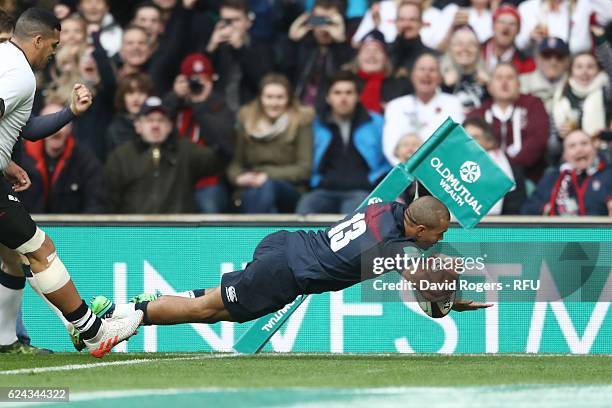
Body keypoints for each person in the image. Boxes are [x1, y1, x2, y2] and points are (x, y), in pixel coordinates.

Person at [91, 197, 492, 330]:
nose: (440, 241)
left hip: (286, 242)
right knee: (209, 311)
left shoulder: (388, 209)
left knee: (219, 301)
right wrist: (450, 300)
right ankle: (121, 318)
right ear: (419, 229)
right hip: (286, 273)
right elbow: (422, 284)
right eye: (437, 235)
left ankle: (148, 301)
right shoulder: (389, 246)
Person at [0, 7, 142, 357]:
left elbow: (22, 127)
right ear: (37, 39)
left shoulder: (6, 59)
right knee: (40, 249)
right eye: (53, 44)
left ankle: (4, 341)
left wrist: (69, 114)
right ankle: (92, 331)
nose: (54, 52)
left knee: (12, 254)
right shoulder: (21, 74)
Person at [105, 96, 225, 213]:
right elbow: (108, 200)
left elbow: (221, 156)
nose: (155, 125)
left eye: (161, 120)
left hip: (177, 229)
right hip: (134, 230)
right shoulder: (121, 157)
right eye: (149, 120)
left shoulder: (185, 150)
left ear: (170, 126)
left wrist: (199, 106)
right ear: (138, 126)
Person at [296, 70, 391, 214]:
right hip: (323, 191)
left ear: (358, 97)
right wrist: (315, 181)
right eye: (337, 93)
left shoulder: (376, 122)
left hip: (362, 191)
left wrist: (375, 181)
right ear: (328, 97)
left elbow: (388, 158)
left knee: (353, 218)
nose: (343, 98)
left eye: (349, 93)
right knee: (306, 207)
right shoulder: (315, 124)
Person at [227, 74, 313, 213]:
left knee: (268, 187)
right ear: (261, 98)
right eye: (269, 97)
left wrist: (265, 176)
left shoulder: (301, 121)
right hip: (252, 186)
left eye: (280, 97)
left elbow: (304, 169)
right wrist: (239, 178)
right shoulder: (247, 119)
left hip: (290, 188)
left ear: (288, 99)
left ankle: (255, 232)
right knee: (256, 195)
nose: (274, 103)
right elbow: (235, 163)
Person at [163, 53, 235, 214]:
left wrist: (201, 105)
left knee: (208, 204)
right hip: (173, 178)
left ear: (211, 81)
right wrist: (174, 97)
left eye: (203, 79)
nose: (197, 84)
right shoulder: (175, 105)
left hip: (209, 180)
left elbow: (224, 145)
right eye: (192, 79)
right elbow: (155, 125)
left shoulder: (220, 107)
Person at [17, 101, 106, 214]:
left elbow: (96, 205)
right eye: (48, 124)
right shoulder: (20, 159)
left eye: (61, 124)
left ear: (70, 128)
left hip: (71, 229)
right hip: (28, 229)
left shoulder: (86, 162)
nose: (55, 130)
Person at [468, 62, 549, 182]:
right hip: (483, 177)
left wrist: (510, 167)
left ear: (518, 85)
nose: (504, 83)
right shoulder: (477, 114)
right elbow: (469, 145)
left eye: (510, 78)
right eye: (499, 78)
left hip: (526, 176)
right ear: (489, 86)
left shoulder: (533, 105)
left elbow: (539, 139)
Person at [383, 53, 465, 165]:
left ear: (440, 77)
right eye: (422, 69)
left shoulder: (453, 104)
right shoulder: (396, 106)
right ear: (412, 75)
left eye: (432, 70)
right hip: (402, 172)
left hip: (439, 171)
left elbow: (452, 142)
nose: (426, 74)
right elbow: (390, 147)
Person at [521, 129, 612, 216]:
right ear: (564, 155)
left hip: (599, 230)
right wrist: (545, 209)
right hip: (559, 231)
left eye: (584, 143)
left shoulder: (608, 174)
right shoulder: (552, 178)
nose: (579, 149)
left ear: (594, 148)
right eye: (572, 146)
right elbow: (528, 210)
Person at [205, 0, 274, 112]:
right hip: (216, 113)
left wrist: (240, 48)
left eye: (236, 20)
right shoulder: (215, 45)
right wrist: (210, 49)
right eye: (225, 20)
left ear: (248, 22)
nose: (230, 25)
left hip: (249, 113)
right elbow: (198, 77)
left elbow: (264, 82)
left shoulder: (262, 47)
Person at [285, 0, 354, 110]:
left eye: (329, 21)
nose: (323, 28)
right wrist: (292, 41)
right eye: (318, 20)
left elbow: (345, 78)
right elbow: (285, 76)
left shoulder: (346, 48)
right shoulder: (303, 45)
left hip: (330, 111)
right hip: (297, 109)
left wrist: (341, 42)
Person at [463, 117, 527, 214]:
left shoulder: (510, 171)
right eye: (465, 138)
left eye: (475, 137)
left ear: (489, 141)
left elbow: (514, 211)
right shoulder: (448, 165)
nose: (468, 142)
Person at [343, 29, 411, 113]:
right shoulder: (345, 82)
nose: (371, 55)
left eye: (377, 51)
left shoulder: (401, 85)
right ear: (358, 57)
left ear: (385, 59)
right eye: (367, 51)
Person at [440, 25, 489, 114]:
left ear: (478, 50)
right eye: (459, 44)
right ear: (450, 49)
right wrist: (445, 87)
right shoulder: (437, 78)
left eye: (471, 44)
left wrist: (488, 86)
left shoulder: (488, 80)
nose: (465, 49)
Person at [106, 72, 155, 153]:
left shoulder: (159, 123)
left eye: (141, 92)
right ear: (123, 97)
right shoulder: (114, 130)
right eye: (130, 93)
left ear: (149, 96)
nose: (136, 98)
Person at [519, 37, 570, 115]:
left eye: (559, 56)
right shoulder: (521, 83)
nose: (553, 62)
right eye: (547, 56)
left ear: (567, 60)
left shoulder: (576, 83)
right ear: (537, 59)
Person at [481, 5, 535, 74]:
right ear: (493, 26)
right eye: (501, 22)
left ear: (518, 30)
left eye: (512, 24)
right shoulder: (477, 52)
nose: (506, 27)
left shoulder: (526, 64)